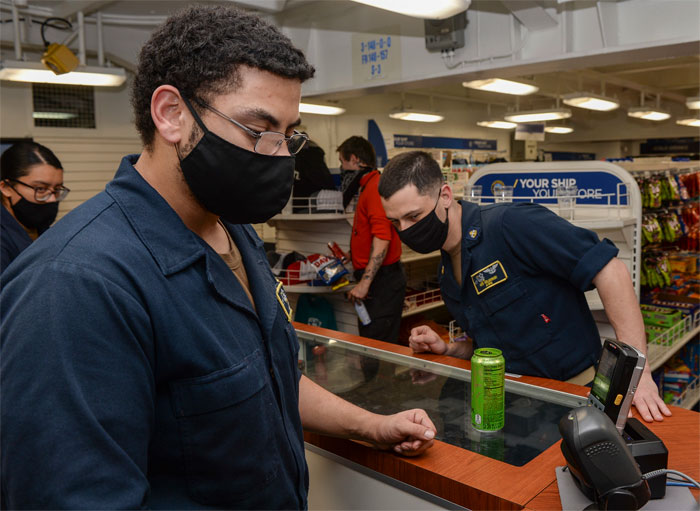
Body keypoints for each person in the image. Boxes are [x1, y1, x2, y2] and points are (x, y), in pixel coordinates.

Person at [0, 8, 436, 510]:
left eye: (288, 134)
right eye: (258, 129)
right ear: (171, 114)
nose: (281, 156)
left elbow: (268, 380)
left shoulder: (234, 230)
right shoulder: (74, 285)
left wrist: (371, 426)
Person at [378, 150, 670, 424]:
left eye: (414, 217)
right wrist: (448, 349)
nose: (406, 231)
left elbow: (611, 271)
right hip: (516, 405)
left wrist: (636, 376)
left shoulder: (510, 225)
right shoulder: (446, 273)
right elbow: (491, 345)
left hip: (573, 397)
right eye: (395, 222)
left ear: (445, 195)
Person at [340, 136, 406, 344]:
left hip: (382, 282)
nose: (342, 169)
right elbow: (372, 232)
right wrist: (354, 255)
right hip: (380, 279)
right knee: (371, 340)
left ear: (354, 159)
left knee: (377, 345)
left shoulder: (375, 188)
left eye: (342, 162)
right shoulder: (368, 185)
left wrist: (364, 284)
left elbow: (383, 238)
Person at [0, 141, 68, 273]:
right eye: (41, 189)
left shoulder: (41, 228)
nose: (52, 199)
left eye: (57, 189)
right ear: (7, 188)